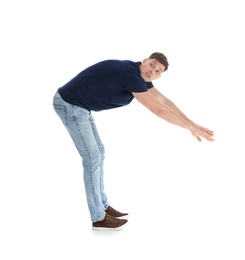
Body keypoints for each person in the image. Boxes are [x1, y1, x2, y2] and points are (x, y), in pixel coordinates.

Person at [52, 52, 214, 231]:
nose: (152, 71)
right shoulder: (130, 75)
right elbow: (159, 110)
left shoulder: (138, 75)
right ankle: (98, 217)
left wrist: (192, 123)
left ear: (159, 76)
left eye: (158, 71)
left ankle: (103, 206)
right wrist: (189, 128)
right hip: (70, 104)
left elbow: (164, 101)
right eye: (152, 65)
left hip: (80, 106)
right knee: (92, 158)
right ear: (144, 61)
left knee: (99, 154)